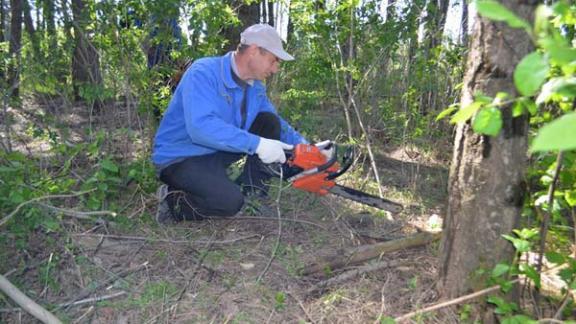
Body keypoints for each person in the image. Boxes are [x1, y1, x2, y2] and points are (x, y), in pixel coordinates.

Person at [151, 24, 307, 223]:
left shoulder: (255, 87)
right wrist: (257, 144)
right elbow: (200, 128)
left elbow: (278, 123)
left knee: (269, 122)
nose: (276, 68)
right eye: (273, 60)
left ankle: (255, 196)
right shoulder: (204, 73)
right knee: (229, 203)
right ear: (253, 51)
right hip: (180, 158)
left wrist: (306, 147)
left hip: (215, 152)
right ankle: (172, 203)